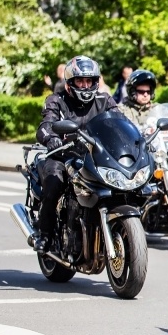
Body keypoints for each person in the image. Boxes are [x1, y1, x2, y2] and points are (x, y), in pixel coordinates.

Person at [34, 56, 121, 253]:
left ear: (95, 82)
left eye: (88, 81)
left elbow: (120, 122)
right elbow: (45, 126)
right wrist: (52, 139)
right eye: (80, 81)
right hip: (63, 156)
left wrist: (136, 140)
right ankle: (45, 233)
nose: (84, 85)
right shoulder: (56, 100)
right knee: (53, 185)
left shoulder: (104, 100)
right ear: (70, 83)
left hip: (95, 157)